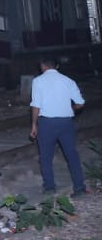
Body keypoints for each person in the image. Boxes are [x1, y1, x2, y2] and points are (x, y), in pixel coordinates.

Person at [30, 57, 87, 197]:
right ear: (57, 66)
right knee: (72, 155)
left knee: (45, 157)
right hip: (66, 123)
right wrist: (70, 108)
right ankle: (79, 188)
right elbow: (80, 103)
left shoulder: (38, 81)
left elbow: (36, 105)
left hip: (47, 123)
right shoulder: (68, 81)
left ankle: (50, 188)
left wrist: (33, 125)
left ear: (42, 66)